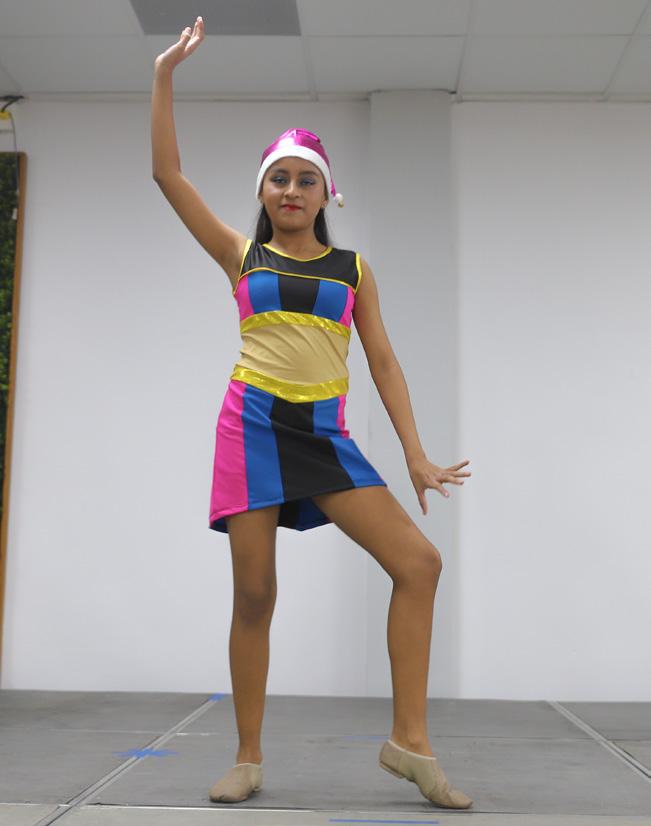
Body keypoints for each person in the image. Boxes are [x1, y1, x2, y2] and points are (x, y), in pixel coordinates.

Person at [151, 16, 473, 810]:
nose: (291, 191)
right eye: (278, 179)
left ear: (327, 193)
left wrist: (414, 453)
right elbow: (167, 174)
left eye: (305, 179)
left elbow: (383, 361)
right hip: (251, 428)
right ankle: (248, 757)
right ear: (262, 192)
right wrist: (163, 76)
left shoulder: (352, 270)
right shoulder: (240, 254)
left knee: (418, 564)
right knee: (256, 594)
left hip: (324, 435)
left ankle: (409, 743)